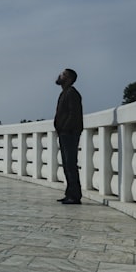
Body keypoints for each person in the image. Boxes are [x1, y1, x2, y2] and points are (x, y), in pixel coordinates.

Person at [54, 68, 83, 204]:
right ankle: (69, 193)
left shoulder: (71, 93)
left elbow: (74, 114)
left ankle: (75, 195)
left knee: (71, 164)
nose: (60, 75)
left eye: (63, 74)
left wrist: (64, 128)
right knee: (67, 164)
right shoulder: (65, 93)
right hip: (65, 133)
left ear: (69, 79)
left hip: (70, 133)